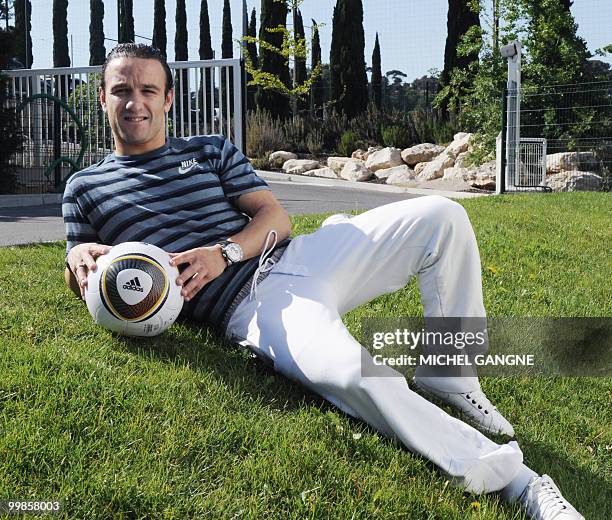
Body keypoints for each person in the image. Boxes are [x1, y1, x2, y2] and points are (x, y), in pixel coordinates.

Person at [63, 44, 583, 519]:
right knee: (357, 377)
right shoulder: (85, 188)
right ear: (103, 97)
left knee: (442, 217)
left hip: (300, 255)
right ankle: (518, 482)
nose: (136, 103)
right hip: (255, 307)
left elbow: (274, 217)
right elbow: (81, 274)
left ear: (169, 98)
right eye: (122, 91)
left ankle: (448, 375)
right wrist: (79, 258)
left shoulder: (210, 150)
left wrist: (224, 252)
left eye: (148, 90)